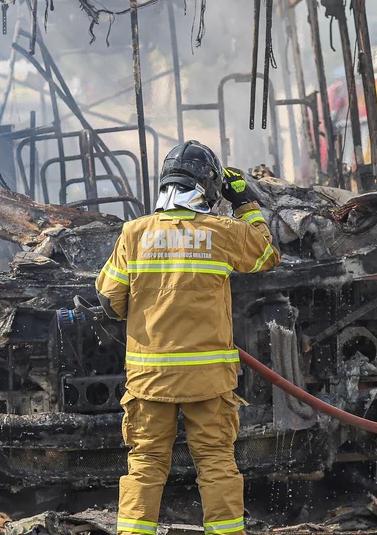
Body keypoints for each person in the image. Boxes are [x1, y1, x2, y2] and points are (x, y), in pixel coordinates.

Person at [96, 141, 280, 535]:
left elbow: (110, 301)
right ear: (208, 187)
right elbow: (265, 255)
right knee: (216, 463)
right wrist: (243, 201)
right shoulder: (223, 232)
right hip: (208, 381)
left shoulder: (134, 233)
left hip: (149, 380)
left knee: (145, 465)